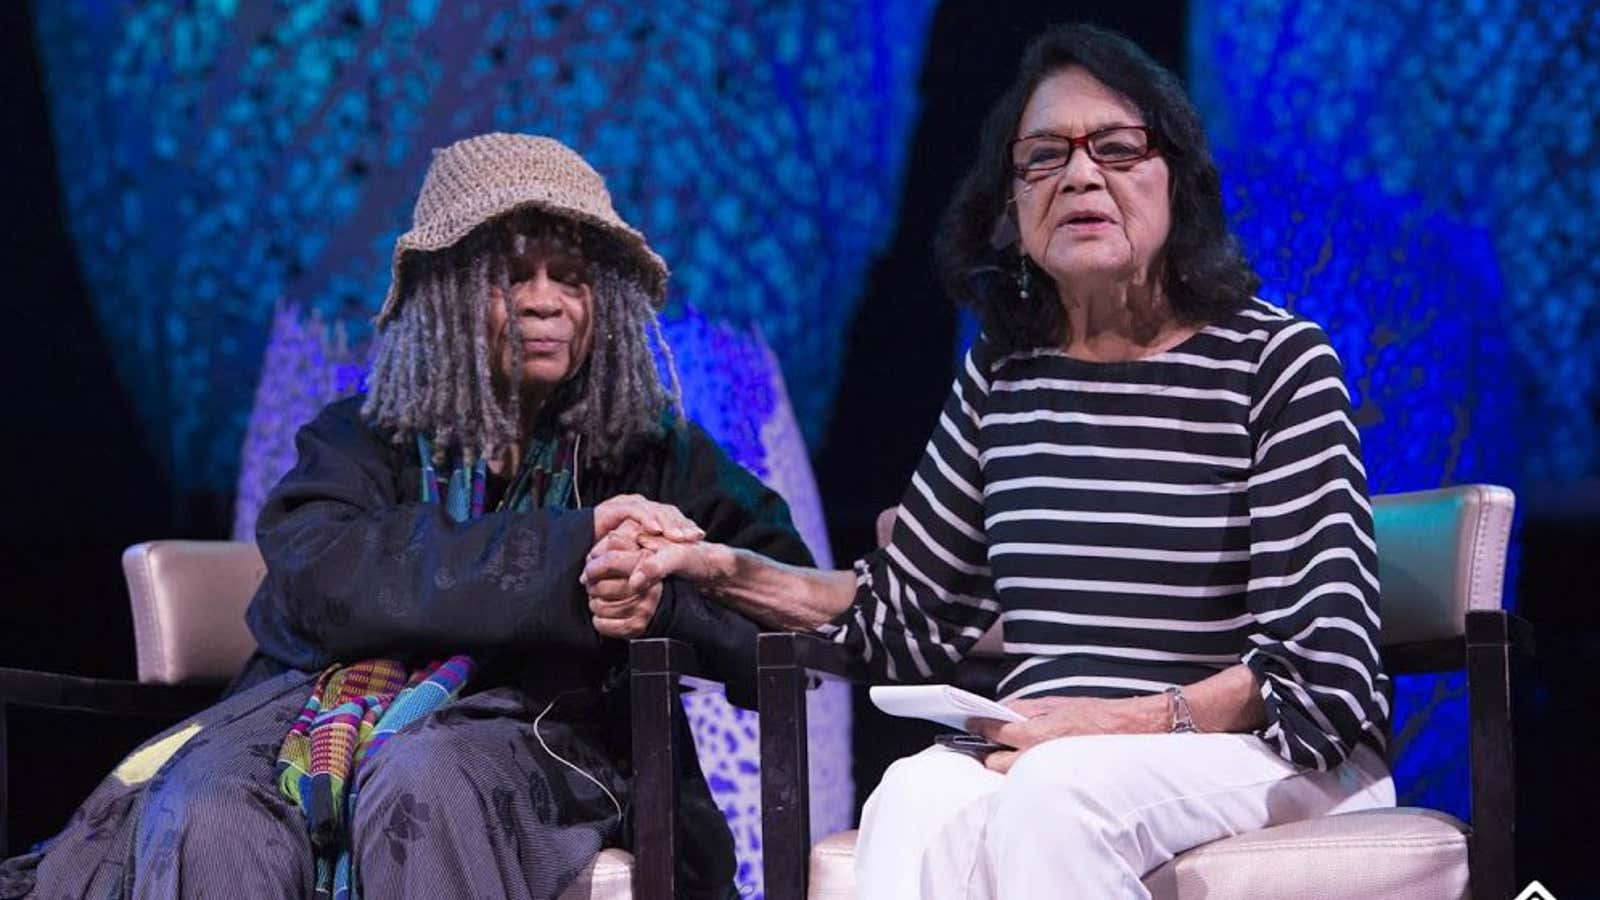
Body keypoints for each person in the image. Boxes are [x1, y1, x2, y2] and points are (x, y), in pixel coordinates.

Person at [584, 24, 1393, 899]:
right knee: (915, 794)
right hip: (1052, 750)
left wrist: (1114, 724)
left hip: (1263, 752)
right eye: (1043, 158)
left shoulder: (1275, 361)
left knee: (1057, 796)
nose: (1081, 175)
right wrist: (720, 566)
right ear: (1010, 209)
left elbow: (1320, 664)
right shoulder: (1006, 377)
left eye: (1118, 150)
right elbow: (902, 615)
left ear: (1180, 183)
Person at [0, 133, 810, 900]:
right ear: (451, 297)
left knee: (424, 784)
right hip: (317, 714)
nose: (546, 304)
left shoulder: (652, 453)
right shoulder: (363, 436)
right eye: (511, 278)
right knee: (211, 806)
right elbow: (321, 575)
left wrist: (657, 599)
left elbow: (786, 610)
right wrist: (570, 552)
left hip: (553, 734)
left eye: (571, 277)